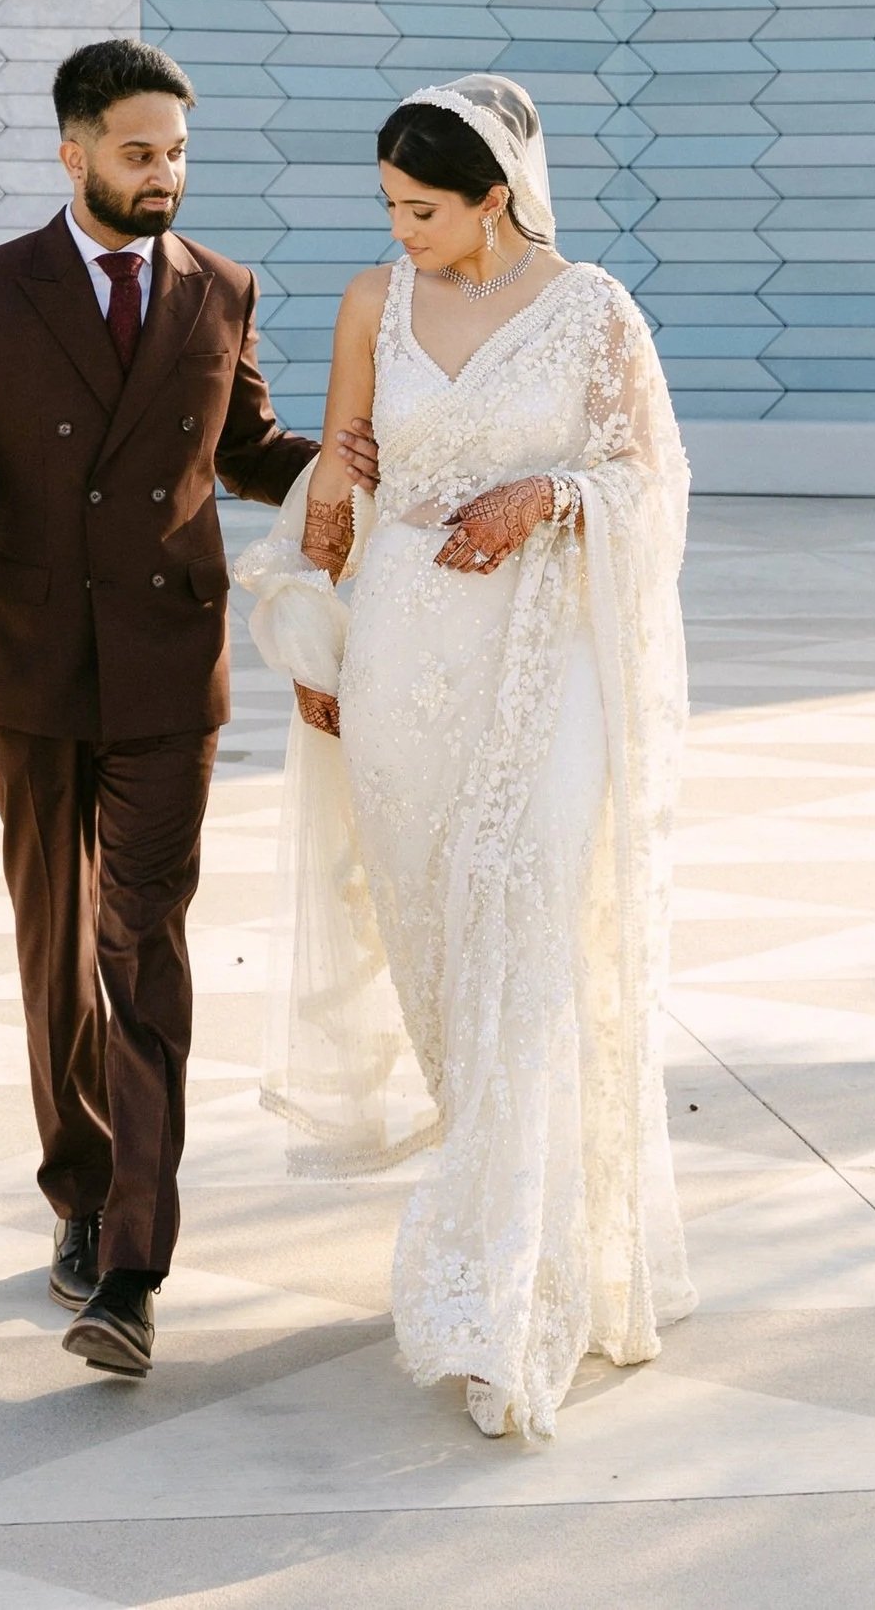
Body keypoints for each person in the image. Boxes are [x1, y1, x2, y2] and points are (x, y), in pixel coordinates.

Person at [237, 73, 694, 1443]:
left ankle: (510, 1290)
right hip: (400, 669)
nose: (405, 229)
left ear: (496, 193)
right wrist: (327, 550)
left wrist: (550, 492)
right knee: (444, 954)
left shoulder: (596, 307)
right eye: (389, 206)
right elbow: (346, 481)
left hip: (545, 662)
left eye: (424, 207)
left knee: (528, 940)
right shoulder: (376, 304)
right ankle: (494, 1210)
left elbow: (648, 478)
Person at [0, 38, 319, 1382]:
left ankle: (132, 1261)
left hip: (161, 667)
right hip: (27, 670)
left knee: (143, 943)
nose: (165, 177)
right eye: (140, 152)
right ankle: (80, 1185)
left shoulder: (222, 290)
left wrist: (364, 460)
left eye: (179, 152)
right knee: (56, 940)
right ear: (72, 149)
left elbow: (246, 449)